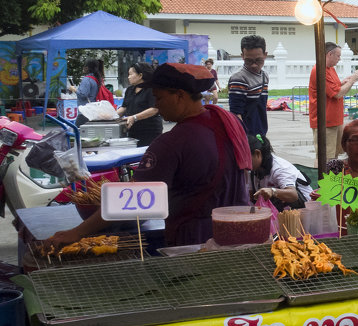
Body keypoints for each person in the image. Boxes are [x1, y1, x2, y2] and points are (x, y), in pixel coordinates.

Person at [48, 63, 250, 248]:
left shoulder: (171, 143)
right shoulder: (227, 121)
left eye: (159, 98)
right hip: (242, 230)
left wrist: (76, 233)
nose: (157, 105)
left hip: (196, 241)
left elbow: (131, 201)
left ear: (180, 96)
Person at [309, 41, 358, 167]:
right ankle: (321, 181)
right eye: (338, 56)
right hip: (325, 120)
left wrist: (346, 82)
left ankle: (331, 180)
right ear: (329, 54)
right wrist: (352, 81)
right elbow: (337, 94)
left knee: (334, 154)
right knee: (325, 156)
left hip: (335, 119)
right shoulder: (319, 70)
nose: (339, 59)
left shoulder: (330, 69)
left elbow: (335, 88)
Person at [249, 134, 312, 210]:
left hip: (305, 210)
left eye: (246, 158)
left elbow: (293, 195)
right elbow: (250, 195)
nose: (243, 163)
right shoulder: (253, 170)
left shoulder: (280, 168)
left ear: (257, 154)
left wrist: (272, 191)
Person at [228, 35, 270, 137]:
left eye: (258, 60)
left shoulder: (265, 76)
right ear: (242, 56)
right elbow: (236, 113)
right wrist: (245, 137)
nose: (254, 65)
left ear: (265, 55)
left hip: (261, 131)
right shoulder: (239, 79)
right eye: (249, 61)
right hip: (247, 135)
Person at [116, 63, 164, 146]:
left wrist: (135, 117)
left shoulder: (152, 89)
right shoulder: (130, 90)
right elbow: (124, 107)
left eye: (131, 74)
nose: (128, 77)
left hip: (150, 130)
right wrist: (112, 115)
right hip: (133, 130)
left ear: (140, 75)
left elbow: (154, 109)